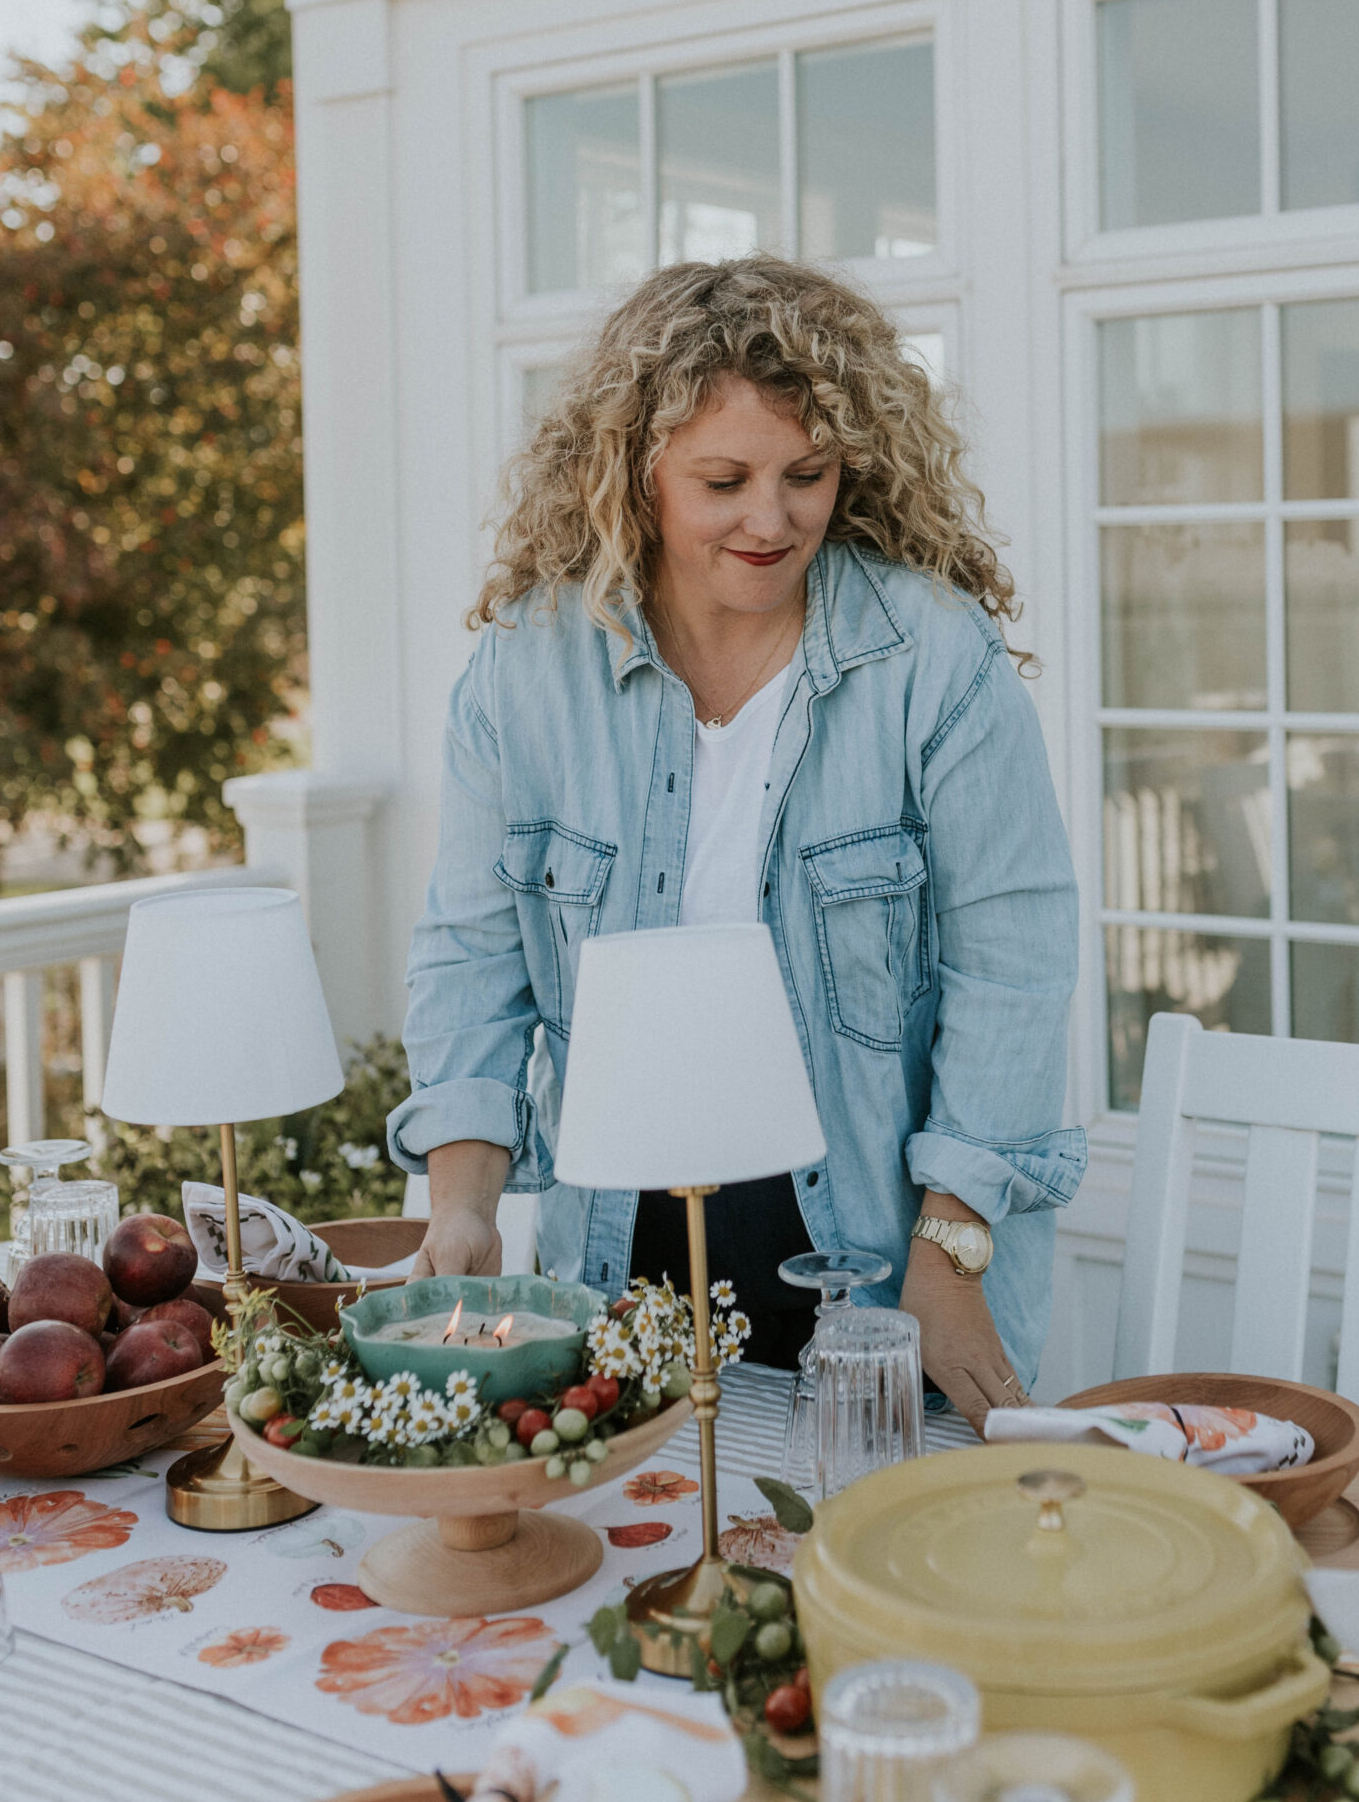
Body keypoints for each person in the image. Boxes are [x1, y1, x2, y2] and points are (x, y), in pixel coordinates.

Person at [387, 257, 1083, 1429]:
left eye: (807, 474)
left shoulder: (932, 660)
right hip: (616, 1250)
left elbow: (1012, 962)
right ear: (635, 472)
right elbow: (471, 953)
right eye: (725, 479)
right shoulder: (526, 673)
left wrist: (951, 1257)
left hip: (877, 1246)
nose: (774, 518)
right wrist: (462, 1202)